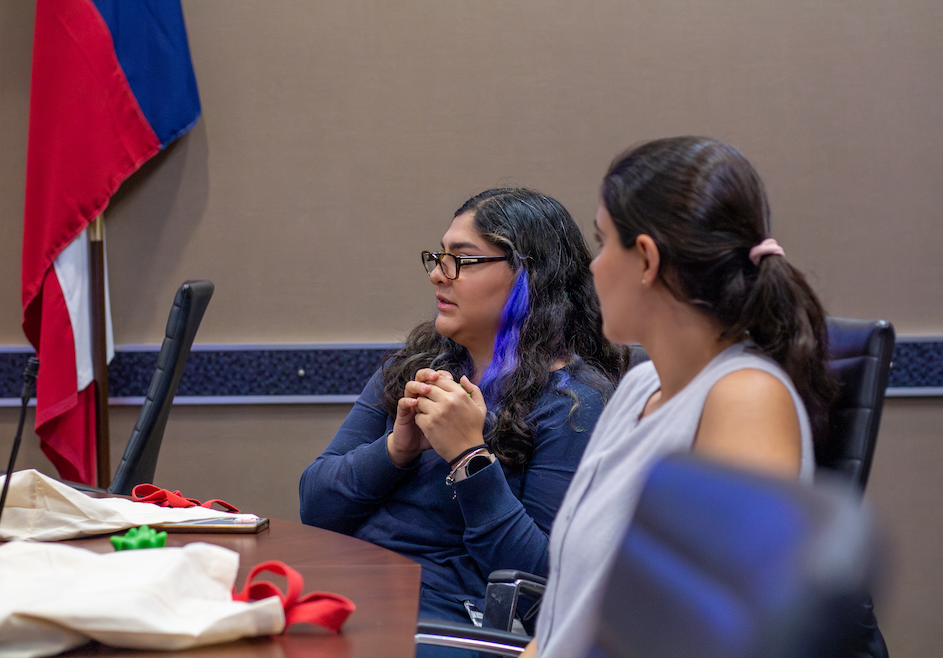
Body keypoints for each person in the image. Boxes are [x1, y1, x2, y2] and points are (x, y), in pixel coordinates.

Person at [522, 137, 840, 658]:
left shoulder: (746, 400)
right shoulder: (638, 386)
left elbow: (720, 640)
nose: (594, 266)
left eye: (603, 243)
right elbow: (568, 613)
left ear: (646, 258)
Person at [299, 188, 627, 643]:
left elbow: (540, 585)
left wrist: (469, 457)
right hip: (354, 586)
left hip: (448, 622)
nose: (437, 274)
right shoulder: (415, 367)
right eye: (437, 257)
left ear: (527, 275)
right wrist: (396, 450)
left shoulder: (573, 403)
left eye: (461, 260)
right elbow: (315, 507)